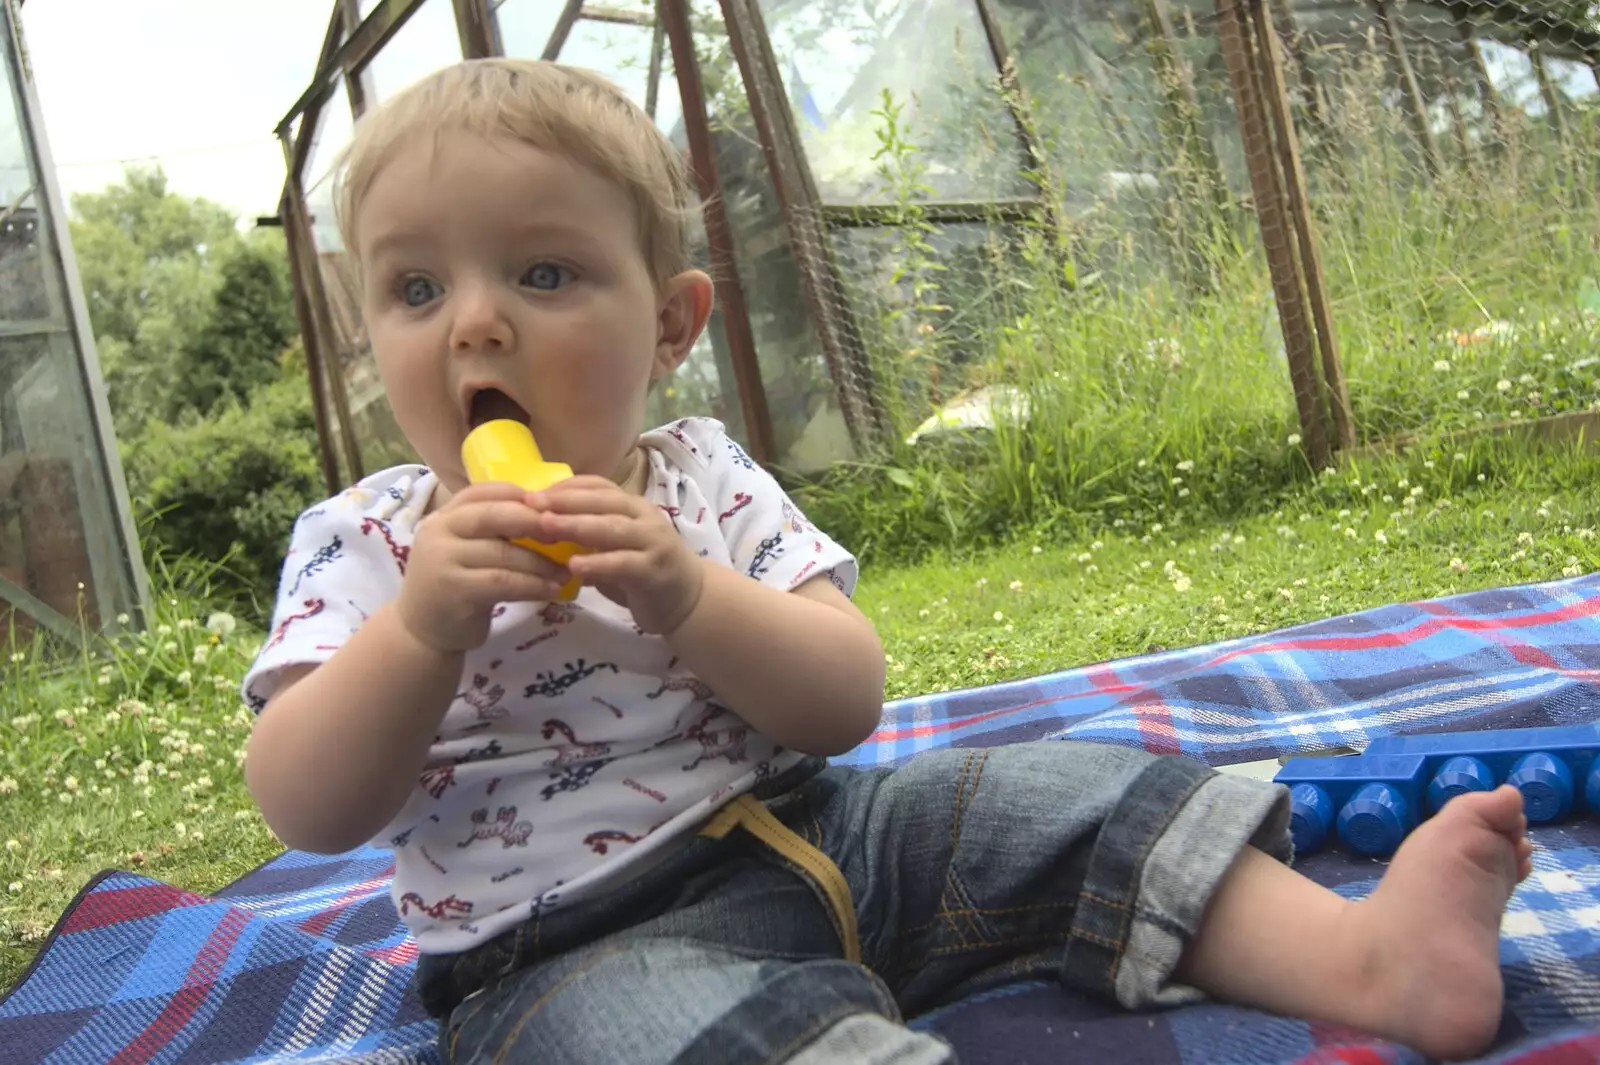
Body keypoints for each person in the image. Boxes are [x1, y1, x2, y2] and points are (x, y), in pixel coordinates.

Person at [242, 58, 1533, 1065]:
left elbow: (843, 698)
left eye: (542, 271)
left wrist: (690, 593)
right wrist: (420, 635)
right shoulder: (369, 549)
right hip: (567, 950)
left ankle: (1372, 962)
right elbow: (306, 804)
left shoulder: (706, 480)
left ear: (672, 323)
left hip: (836, 840)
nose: (476, 321)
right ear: (372, 330)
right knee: (641, 1040)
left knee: (1049, 799)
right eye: (416, 292)